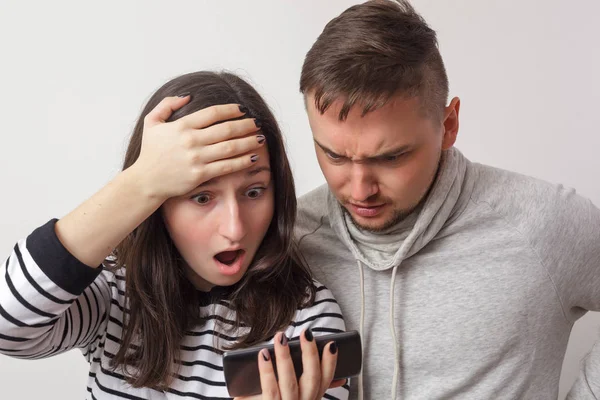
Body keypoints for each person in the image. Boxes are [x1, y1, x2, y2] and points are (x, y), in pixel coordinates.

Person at [295, 1, 600, 399]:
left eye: (390, 157)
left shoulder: (539, 225)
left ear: (449, 124)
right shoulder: (291, 241)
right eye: (334, 155)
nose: (359, 189)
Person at [0, 71, 348, 400]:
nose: (235, 228)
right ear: (159, 203)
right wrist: (141, 181)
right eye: (202, 197)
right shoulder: (115, 294)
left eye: (254, 191)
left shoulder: (307, 317)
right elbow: (8, 325)